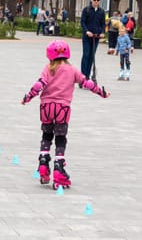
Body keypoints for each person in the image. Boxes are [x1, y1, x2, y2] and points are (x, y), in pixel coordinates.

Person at [21, 40, 109, 189]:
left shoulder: (48, 68)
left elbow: (39, 84)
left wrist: (28, 97)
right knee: (60, 138)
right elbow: (86, 83)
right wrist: (102, 92)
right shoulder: (72, 69)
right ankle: (58, 167)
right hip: (62, 108)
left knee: (47, 135)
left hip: (46, 107)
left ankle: (43, 162)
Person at [80, 0, 106, 80]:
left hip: (96, 37)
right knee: (86, 55)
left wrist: (102, 32)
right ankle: (83, 75)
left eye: (97, 0)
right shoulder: (86, 10)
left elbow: (103, 24)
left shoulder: (101, 12)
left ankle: (87, 75)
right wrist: (86, 31)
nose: (96, 1)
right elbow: (82, 22)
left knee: (92, 56)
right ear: (91, 0)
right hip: (87, 37)